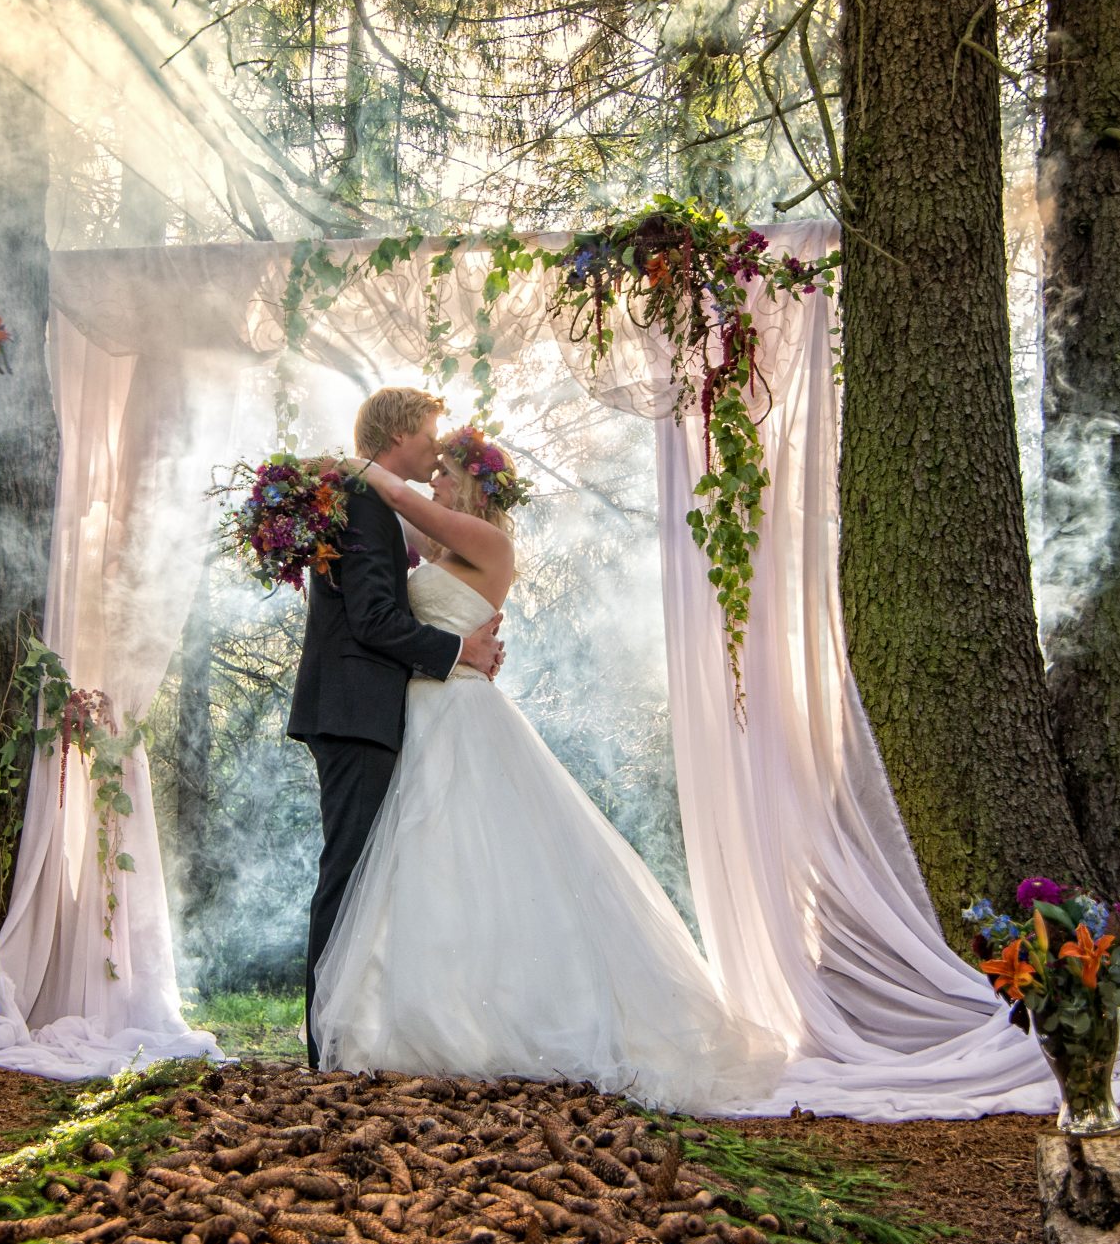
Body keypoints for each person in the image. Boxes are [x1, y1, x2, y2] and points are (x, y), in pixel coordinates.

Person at [308, 420, 787, 1113]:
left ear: (472, 486)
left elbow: (399, 499)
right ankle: (429, 1015)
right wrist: (322, 506)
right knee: (427, 867)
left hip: (459, 712)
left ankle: (507, 1022)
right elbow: (381, 543)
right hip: (419, 710)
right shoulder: (439, 546)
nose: (432, 479)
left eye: (445, 472)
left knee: (475, 856)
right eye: (431, 467)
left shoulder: (488, 543)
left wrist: (346, 465)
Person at [286, 388, 503, 1068]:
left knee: (365, 875)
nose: (434, 452)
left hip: (370, 710)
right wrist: (458, 650)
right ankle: (327, 1043)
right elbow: (374, 619)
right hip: (354, 710)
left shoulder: (376, 504)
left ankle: (349, 1031)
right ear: (399, 433)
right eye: (429, 437)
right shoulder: (365, 502)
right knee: (349, 874)